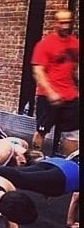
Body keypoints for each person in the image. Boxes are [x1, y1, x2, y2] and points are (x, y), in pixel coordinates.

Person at [31, 9, 79, 156]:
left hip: (70, 96)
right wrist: (51, 93)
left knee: (72, 133)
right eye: (62, 23)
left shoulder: (75, 43)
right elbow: (38, 72)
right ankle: (34, 160)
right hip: (48, 96)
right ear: (55, 23)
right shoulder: (45, 44)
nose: (65, 26)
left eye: (68, 23)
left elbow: (76, 68)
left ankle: (68, 164)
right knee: (42, 130)